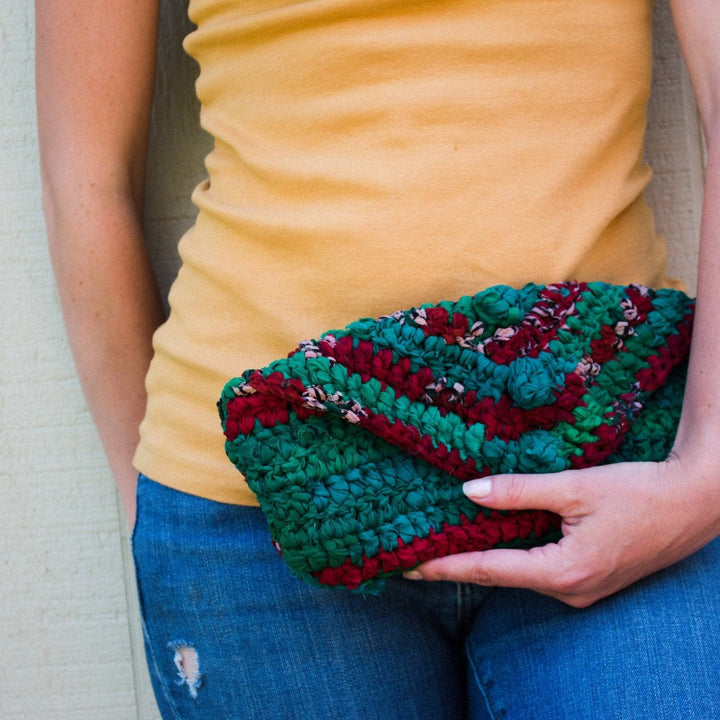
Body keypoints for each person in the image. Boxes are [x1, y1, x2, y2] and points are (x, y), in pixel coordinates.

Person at [36, 0, 720, 718]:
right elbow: (85, 176)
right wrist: (154, 491)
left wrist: (703, 479)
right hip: (256, 511)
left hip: (617, 466)